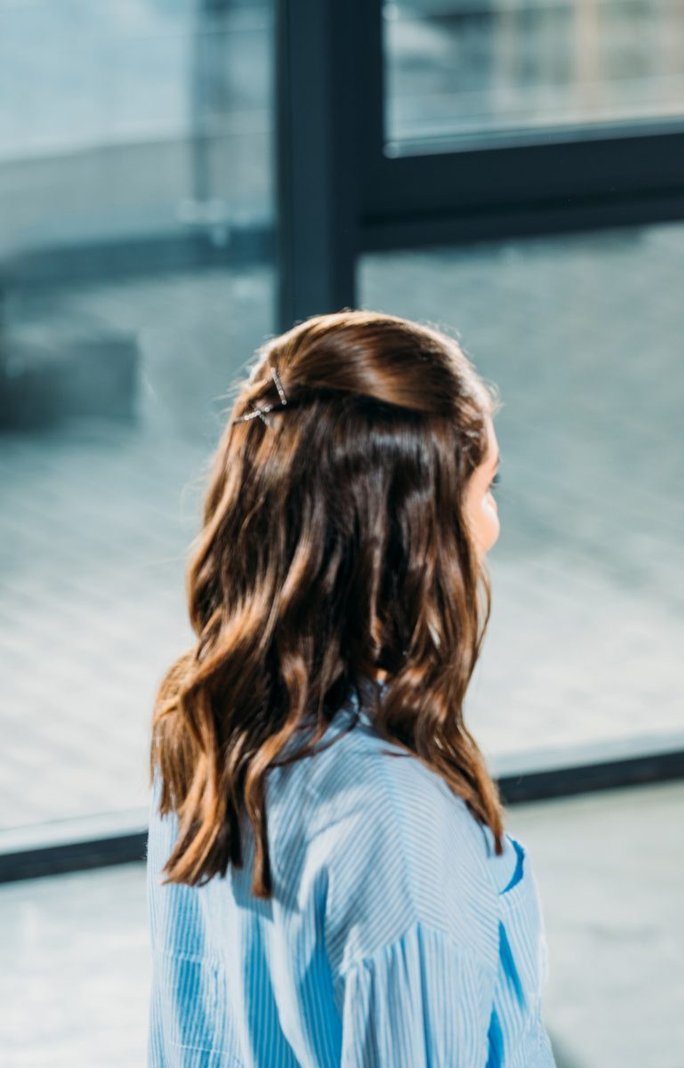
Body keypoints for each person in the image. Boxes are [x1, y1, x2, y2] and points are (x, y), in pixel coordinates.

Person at [147, 312, 556, 1066]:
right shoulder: (399, 829)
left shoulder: (206, 715)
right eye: (485, 489)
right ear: (416, 538)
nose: (492, 524)